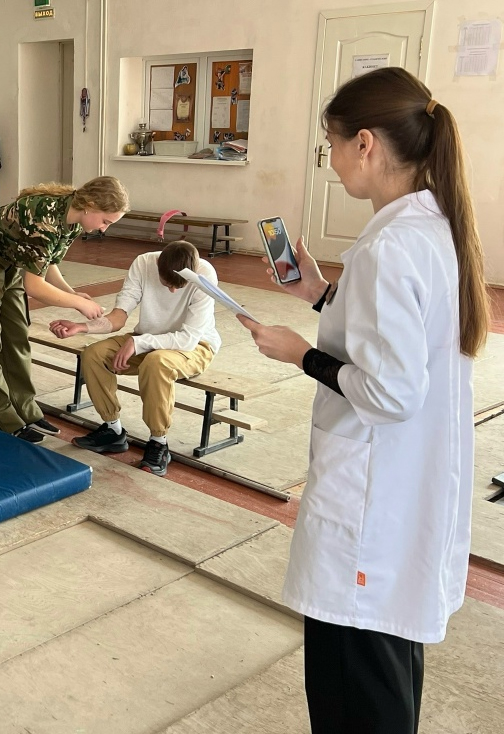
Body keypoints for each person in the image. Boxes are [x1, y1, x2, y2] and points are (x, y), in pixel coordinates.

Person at [238, 67, 490, 733]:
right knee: (387, 675)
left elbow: (390, 391)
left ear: (366, 144)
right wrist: (321, 294)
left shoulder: (390, 244)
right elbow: (391, 337)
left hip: (372, 508)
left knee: (356, 692)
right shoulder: (432, 226)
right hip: (405, 494)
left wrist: (300, 354)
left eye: (332, 143)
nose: (332, 159)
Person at [0, 176, 129, 443]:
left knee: (16, 336)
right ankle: (4, 419)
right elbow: (35, 286)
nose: (104, 229)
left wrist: (70, 292)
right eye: (106, 221)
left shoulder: (73, 220)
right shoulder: (45, 219)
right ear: (90, 206)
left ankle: (26, 410)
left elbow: (46, 262)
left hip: (10, 260)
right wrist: (79, 303)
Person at [49, 241, 220, 475]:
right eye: (167, 284)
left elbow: (188, 339)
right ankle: (113, 430)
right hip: (148, 339)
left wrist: (139, 343)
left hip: (195, 346)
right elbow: (118, 317)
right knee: (94, 354)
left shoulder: (205, 274)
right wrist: (81, 327)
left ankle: (159, 442)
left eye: (178, 286)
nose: (172, 291)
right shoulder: (144, 263)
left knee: (156, 362)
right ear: (158, 265)